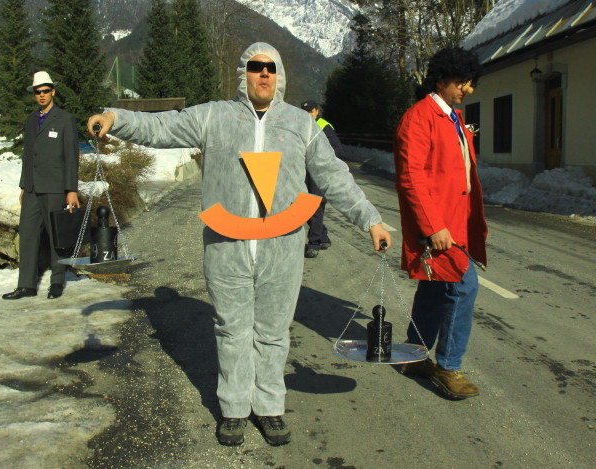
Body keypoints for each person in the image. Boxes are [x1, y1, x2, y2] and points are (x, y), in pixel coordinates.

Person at [88, 42, 392, 447]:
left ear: (280, 76)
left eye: (271, 67)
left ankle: (269, 407)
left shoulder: (301, 124)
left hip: (282, 247)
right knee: (231, 329)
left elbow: (333, 176)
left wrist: (370, 219)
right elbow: (161, 127)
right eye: (255, 66)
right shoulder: (214, 115)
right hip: (226, 245)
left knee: (273, 332)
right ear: (242, 73)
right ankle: (233, 408)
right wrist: (115, 117)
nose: (264, 73)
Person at [393, 47, 488, 399]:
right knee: (464, 287)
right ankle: (448, 367)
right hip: (438, 226)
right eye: (462, 81)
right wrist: (433, 226)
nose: (468, 88)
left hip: (455, 223)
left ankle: (414, 355)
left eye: (470, 82)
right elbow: (411, 178)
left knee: (434, 288)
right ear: (441, 79)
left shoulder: (453, 117)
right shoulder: (419, 117)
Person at [2, 71, 80, 300]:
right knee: (27, 235)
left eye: (45, 91)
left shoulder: (65, 119)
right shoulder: (31, 120)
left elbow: (71, 156)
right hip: (32, 189)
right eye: (38, 92)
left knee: (56, 236)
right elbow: (28, 155)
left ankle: (57, 281)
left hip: (55, 187)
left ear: (53, 92)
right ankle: (26, 285)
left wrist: (71, 190)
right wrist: (24, 186)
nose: (42, 95)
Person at [300, 100, 341, 259]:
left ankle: (314, 244)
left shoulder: (324, 126)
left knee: (315, 207)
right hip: (303, 173)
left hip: (318, 173)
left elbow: (336, 148)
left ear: (317, 111)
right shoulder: (300, 125)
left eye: (311, 111)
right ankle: (322, 236)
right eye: (305, 112)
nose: (308, 115)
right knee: (303, 208)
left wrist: (321, 162)